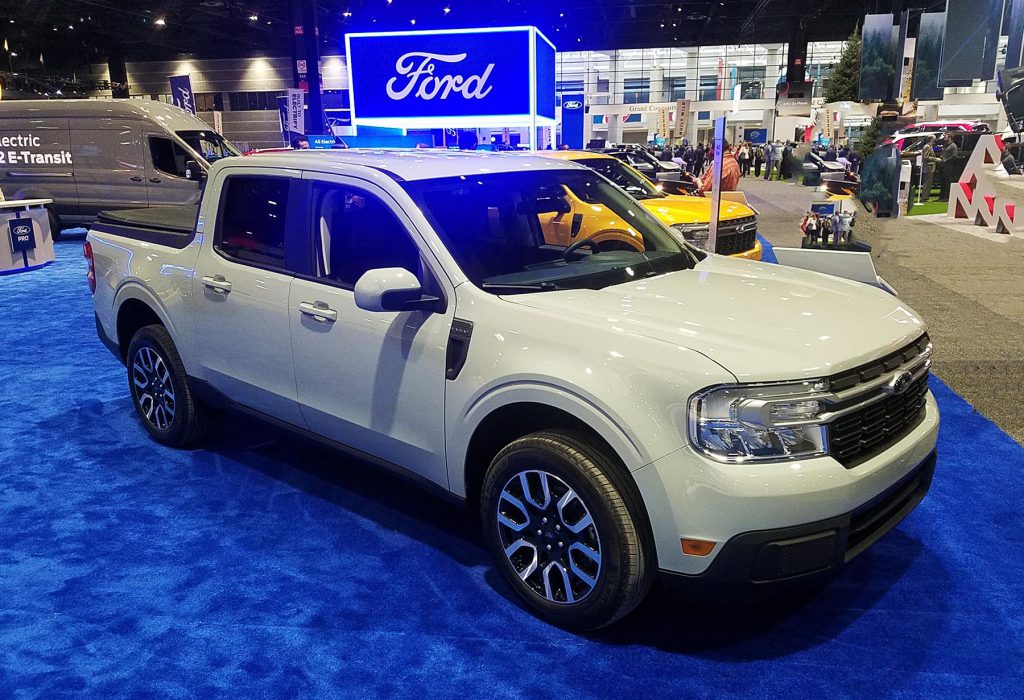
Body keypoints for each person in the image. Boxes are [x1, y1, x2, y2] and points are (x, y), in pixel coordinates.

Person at [937, 135, 959, 199]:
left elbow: (954, 155)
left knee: (947, 181)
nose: (944, 138)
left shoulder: (953, 146)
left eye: (945, 137)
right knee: (943, 181)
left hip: (949, 166)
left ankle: (946, 196)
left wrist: (946, 160)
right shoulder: (946, 145)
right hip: (943, 165)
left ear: (950, 138)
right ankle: (942, 196)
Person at [919, 136, 938, 201]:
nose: (935, 140)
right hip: (928, 167)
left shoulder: (930, 146)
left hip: (929, 167)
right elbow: (926, 157)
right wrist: (935, 159)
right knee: (927, 183)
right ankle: (924, 197)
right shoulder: (927, 147)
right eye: (934, 139)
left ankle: (925, 197)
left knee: (928, 183)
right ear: (931, 139)